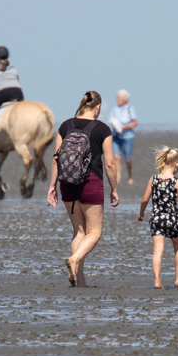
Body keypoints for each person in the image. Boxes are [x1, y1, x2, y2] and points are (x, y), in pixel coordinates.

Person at [47, 91, 119, 287]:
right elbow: (110, 163)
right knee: (94, 233)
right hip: (91, 182)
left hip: (67, 183)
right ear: (97, 108)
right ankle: (74, 259)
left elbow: (56, 160)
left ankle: (79, 281)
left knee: (79, 231)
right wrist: (114, 189)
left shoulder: (65, 126)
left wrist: (52, 187)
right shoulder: (102, 129)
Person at [138, 147, 178, 289]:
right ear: (177, 164)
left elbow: (144, 199)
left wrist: (141, 213)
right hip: (172, 219)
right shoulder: (177, 182)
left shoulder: (153, 180)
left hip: (157, 219)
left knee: (158, 250)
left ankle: (157, 280)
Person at [109, 89, 138, 185]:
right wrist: (115, 124)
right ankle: (118, 178)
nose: (117, 99)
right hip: (116, 137)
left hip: (127, 137)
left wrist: (124, 127)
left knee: (128, 159)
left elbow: (135, 122)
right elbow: (112, 119)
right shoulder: (114, 109)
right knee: (116, 157)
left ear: (125, 99)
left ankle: (130, 175)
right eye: (117, 97)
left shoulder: (130, 109)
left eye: (119, 98)